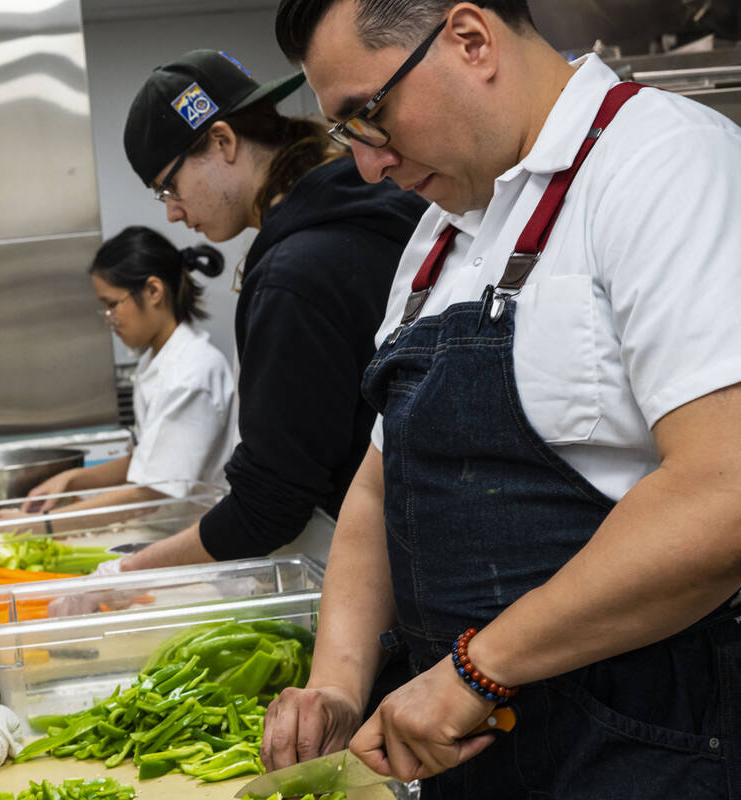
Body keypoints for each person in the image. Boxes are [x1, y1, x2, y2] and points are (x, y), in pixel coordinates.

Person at [261, 1, 741, 797]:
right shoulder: (439, 237)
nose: (368, 165)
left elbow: (723, 489)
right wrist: (339, 684)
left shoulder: (666, 163)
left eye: (368, 117)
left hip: (650, 749)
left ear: (470, 40)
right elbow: (381, 487)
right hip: (479, 754)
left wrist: (476, 671)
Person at [105, 49, 425, 570]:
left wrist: (126, 572)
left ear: (223, 141)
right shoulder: (363, 208)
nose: (173, 211)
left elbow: (270, 506)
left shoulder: (294, 274)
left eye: (169, 186)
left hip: (376, 567)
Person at [1, 226, 235, 525]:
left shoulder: (191, 374)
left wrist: (41, 524)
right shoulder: (157, 361)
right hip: (168, 530)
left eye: (112, 305)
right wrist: (71, 479)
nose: (109, 320)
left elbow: (151, 493)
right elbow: (148, 462)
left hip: (195, 535)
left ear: (153, 291)